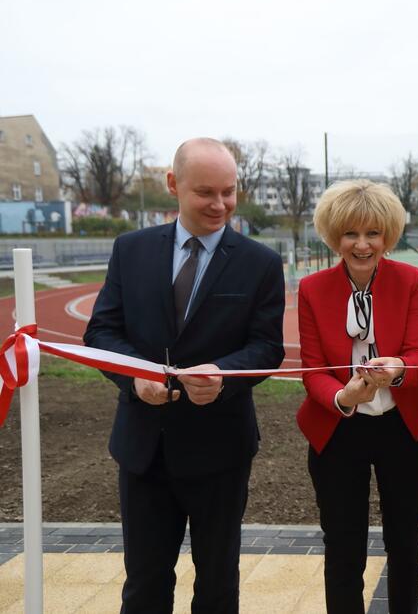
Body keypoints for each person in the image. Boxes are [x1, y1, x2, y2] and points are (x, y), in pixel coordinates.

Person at [83, 138, 286, 613]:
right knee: (145, 585)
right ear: (173, 185)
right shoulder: (130, 250)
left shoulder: (260, 263)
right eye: (205, 192)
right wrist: (135, 377)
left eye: (229, 192)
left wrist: (224, 374)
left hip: (220, 449)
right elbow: (102, 331)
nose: (220, 205)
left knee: (217, 585)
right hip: (143, 449)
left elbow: (266, 347)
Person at [296, 179, 418, 614]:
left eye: (373, 233)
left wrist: (396, 370)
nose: (362, 245)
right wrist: (344, 396)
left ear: (387, 236)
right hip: (338, 429)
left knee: (405, 541)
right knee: (343, 545)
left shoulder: (409, 279)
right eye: (351, 234)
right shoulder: (312, 288)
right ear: (334, 237)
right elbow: (312, 370)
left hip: (402, 425)